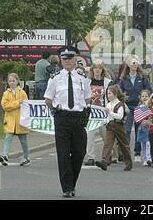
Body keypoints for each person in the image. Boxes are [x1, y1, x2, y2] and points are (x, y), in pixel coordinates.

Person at [44, 46, 91, 198]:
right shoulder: (55, 78)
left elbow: (87, 97)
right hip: (62, 118)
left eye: (70, 58)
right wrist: (56, 110)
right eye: (64, 59)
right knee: (63, 154)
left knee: (79, 152)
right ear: (61, 60)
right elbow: (48, 99)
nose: (67, 61)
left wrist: (86, 109)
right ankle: (67, 188)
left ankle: (72, 183)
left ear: (76, 59)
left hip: (78, 118)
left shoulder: (82, 78)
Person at [119, 55, 152, 162]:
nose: (135, 64)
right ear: (128, 64)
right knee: (127, 130)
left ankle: (137, 153)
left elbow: (149, 90)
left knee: (140, 130)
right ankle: (126, 154)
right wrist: (123, 97)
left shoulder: (142, 78)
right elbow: (119, 93)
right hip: (128, 107)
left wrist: (144, 98)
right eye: (133, 62)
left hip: (140, 107)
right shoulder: (123, 79)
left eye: (137, 62)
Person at [95, 85, 133, 171]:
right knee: (108, 143)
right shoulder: (108, 104)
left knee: (123, 144)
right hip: (110, 125)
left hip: (118, 125)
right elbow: (108, 117)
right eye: (107, 93)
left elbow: (120, 116)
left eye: (110, 93)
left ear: (115, 94)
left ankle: (128, 162)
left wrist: (110, 113)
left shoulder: (120, 104)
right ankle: (104, 161)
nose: (108, 95)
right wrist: (105, 121)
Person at [0, 73, 30, 167]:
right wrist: (17, 103)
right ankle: (5, 155)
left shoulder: (22, 93)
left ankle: (26, 157)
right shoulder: (6, 93)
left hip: (21, 120)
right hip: (10, 120)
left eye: (13, 81)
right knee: (8, 138)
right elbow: (5, 106)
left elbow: (26, 106)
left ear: (17, 82)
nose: (11, 83)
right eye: (10, 81)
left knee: (23, 140)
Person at [84, 60, 113, 166]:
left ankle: (107, 156)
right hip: (91, 113)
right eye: (95, 68)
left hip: (103, 113)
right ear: (92, 70)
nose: (97, 70)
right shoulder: (87, 82)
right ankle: (91, 157)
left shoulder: (107, 82)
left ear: (102, 70)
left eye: (99, 68)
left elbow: (111, 97)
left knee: (105, 135)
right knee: (90, 136)